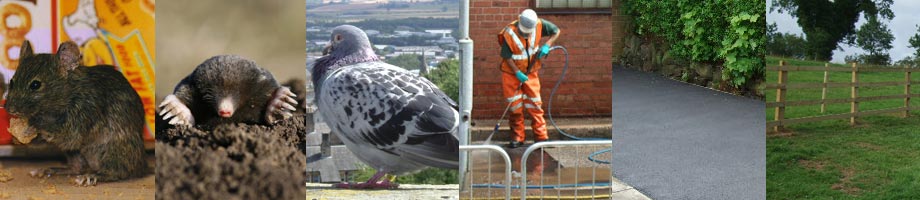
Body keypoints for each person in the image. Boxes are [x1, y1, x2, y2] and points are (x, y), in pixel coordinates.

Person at [497, 9, 560, 148]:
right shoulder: (509, 33)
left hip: (531, 71)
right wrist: (517, 72)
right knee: (515, 107)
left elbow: (556, 31)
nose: (525, 33)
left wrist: (547, 45)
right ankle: (517, 137)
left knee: (535, 104)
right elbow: (507, 57)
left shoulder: (539, 25)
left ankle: (541, 137)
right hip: (511, 74)